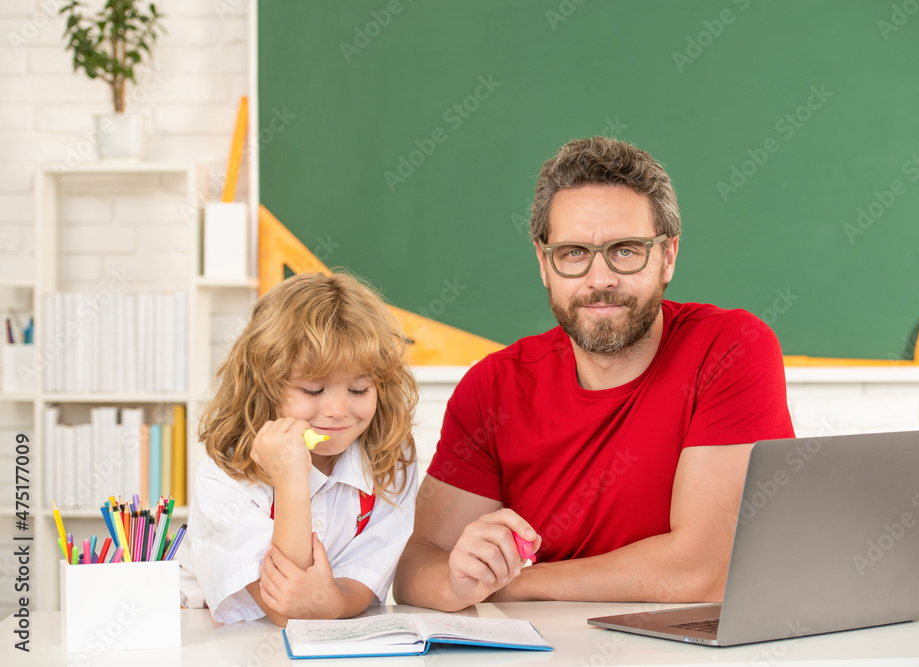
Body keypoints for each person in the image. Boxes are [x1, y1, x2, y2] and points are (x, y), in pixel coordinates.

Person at [392, 136, 795, 611]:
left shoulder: (730, 347)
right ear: (545, 263)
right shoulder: (492, 387)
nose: (599, 279)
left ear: (668, 256)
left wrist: (517, 583)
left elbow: (705, 570)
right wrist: (458, 581)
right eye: (574, 253)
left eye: (625, 251)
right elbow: (417, 566)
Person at [179, 272, 418, 625]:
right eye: (312, 390)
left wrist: (332, 603)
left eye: (358, 390)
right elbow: (283, 609)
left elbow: (364, 578)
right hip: (211, 638)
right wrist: (292, 479)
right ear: (264, 385)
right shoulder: (224, 474)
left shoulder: (390, 461)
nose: (337, 411)